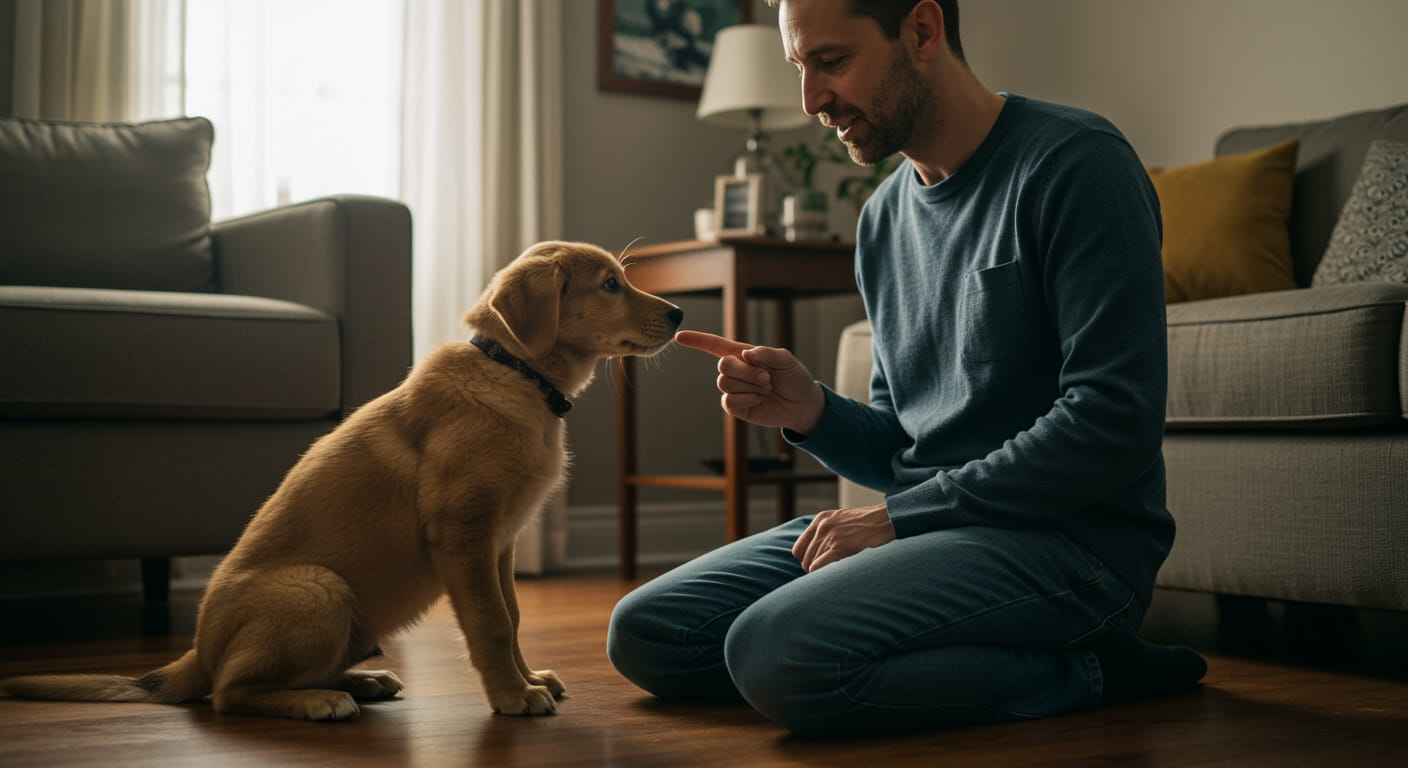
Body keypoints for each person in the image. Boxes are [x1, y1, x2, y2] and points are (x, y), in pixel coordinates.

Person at [607, 0, 1207, 738]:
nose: (812, 100)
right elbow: (904, 445)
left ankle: (1097, 670)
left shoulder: (1077, 163)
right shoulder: (883, 218)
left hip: (1072, 547)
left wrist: (896, 520)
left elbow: (1112, 423)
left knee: (773, 652)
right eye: (799, 68)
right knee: (649, 632)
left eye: (831, 62)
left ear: (921, 31)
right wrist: (812, 411)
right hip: (934, 531)